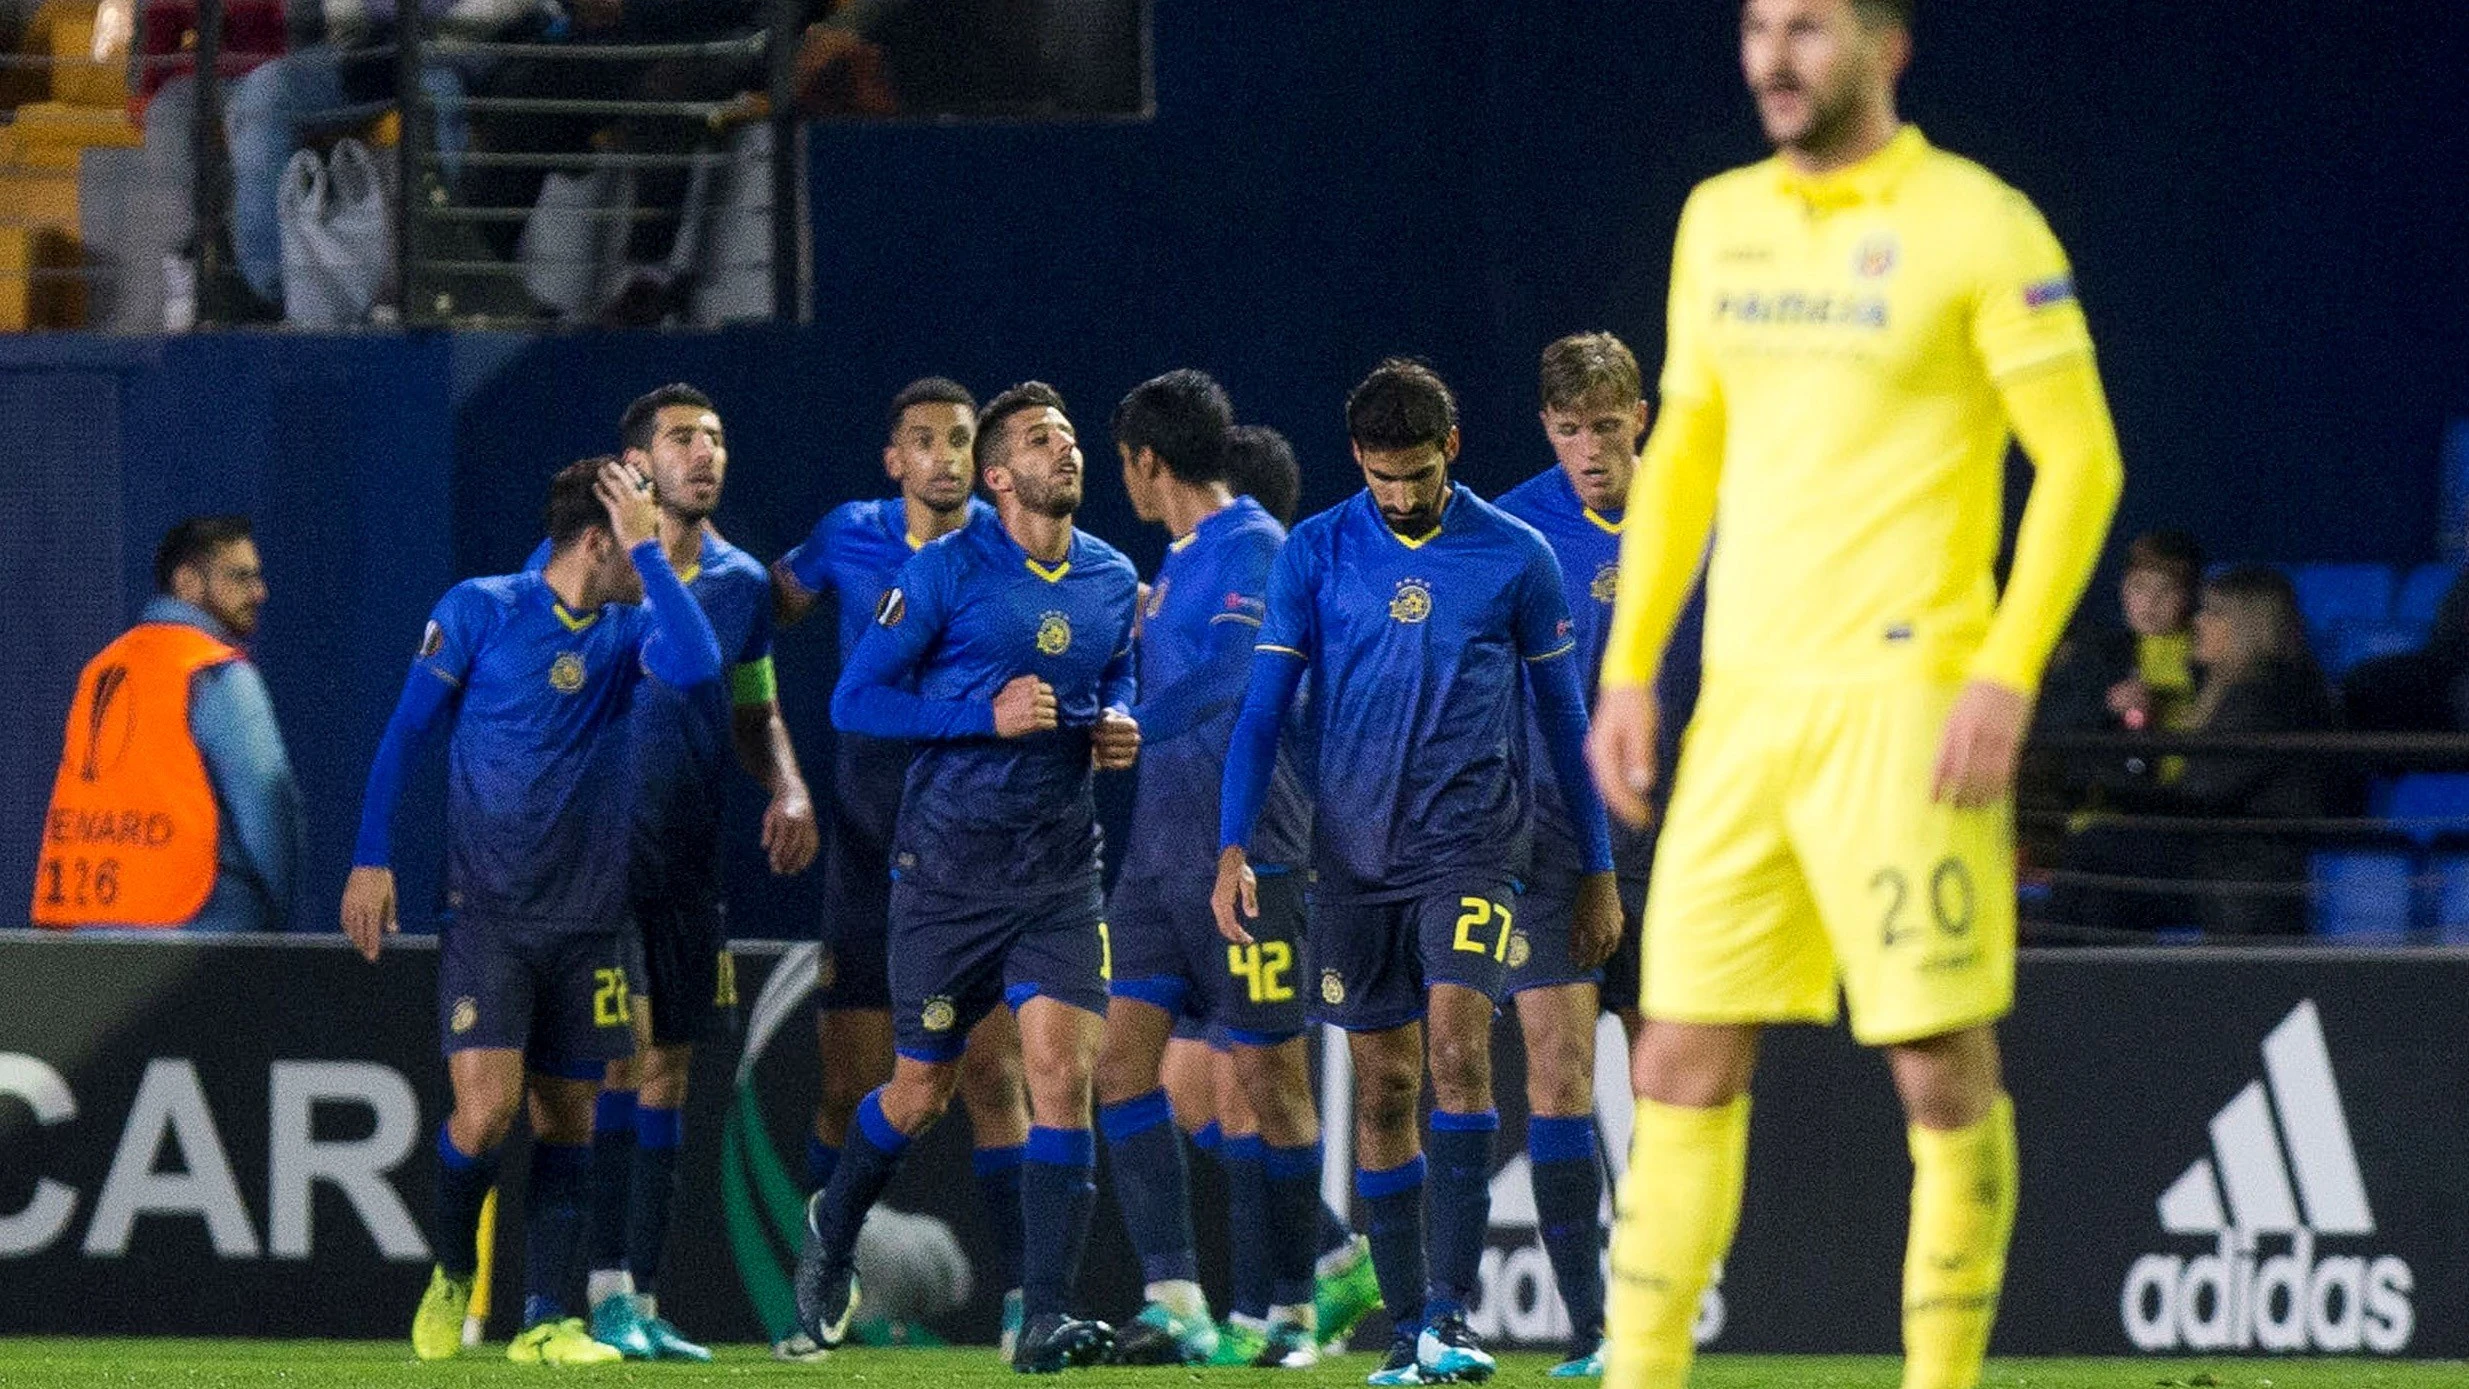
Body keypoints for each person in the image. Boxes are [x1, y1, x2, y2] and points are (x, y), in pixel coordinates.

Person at [1582, 2, 2126, 1386]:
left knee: (1939, 1067)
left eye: (1808, 26)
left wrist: (2003, 673)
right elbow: (1688, 450)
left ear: (1888, 45)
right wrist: (1631, 664)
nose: (1772, 54)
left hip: (1904, 706)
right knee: (1675, 1061)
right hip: (1745, 711)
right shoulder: (1718, 220)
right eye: (1758, 24)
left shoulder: (1980, 225)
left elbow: (2080, 465)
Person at [1215, 359, 1621, 1387]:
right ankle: (1406, 1331)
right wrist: (1235, 845)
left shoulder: (1515, 557)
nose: (1402, 496)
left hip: (1476, 849)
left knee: (1457, 1051)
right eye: (1384, 478)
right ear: (1359, 460)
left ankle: (1453, 1314)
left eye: (1419, 475)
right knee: (1386, 1088)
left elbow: (1568, 723)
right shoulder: (1313, 554)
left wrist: (1599, 868)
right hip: (1349, 861)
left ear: (1454, 448)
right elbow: (1264, 713)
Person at [343, 455, 722, 1366]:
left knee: (570, 1118)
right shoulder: (480, 608)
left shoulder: (631, 631)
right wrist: (370, 855)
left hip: (591, 917)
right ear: (600, 538)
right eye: (642, 534)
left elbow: (704, 667)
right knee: (485, 1114)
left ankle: (548, 1319)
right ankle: (448, 1273)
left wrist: (655, 562)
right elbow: (404, 735)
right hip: (490, 914)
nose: (658, 549)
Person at [792, 382, 1140, 1373]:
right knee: (919, 1092)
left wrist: (1122, 715)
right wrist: (977, 719)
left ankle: (1045, 1317)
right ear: (999, 474)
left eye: (1070, 436)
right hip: (946, 874)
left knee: (1059, 1078)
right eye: (1041, 439)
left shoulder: (1112, 575)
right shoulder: (944, 573)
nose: (1065, 450)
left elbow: (1117, 669)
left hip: (1060, 874)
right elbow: (858, 699)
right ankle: (836, 1228)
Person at [538, 385, 817, 1361]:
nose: (707, 453)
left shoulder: (740, 583)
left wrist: (787, 789)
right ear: (634, 465)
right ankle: (592, 1295)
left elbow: (754, 711)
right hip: (595, 860)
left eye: (718, 436)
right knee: (619, 1058)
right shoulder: (580, 570)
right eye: (683, 438)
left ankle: (641, 1303)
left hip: (687, 864)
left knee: (668, 1071)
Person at [770, 377, 1036, 1359]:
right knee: (851, 1084)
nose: (943, 457)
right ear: (894, 459)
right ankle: (827, 1274)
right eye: (923, 440)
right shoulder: (850, 533)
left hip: (975, 848)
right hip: (869, 843)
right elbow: (777, 600)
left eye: (961, 440)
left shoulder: (1007, 551)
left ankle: (1021, 1301)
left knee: (993, 1077)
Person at [1093, 371, 1336, 1369]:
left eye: (1125, 464)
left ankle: (1287, 1313)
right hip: (1157, 864)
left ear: (1147, 462)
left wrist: (1134, 723)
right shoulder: (1176, 564)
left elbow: (1240, 677)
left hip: (1253, 859)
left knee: (1267, 1089)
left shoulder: (1259, 550)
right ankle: (1177, 1297)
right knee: (1121, 1068)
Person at [1492, 331, 1671, 1377]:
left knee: (1671, 1087)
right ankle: (1591, 1331)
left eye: (1607, 426)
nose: (1591, 449)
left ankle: (1651, 1318)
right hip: (1552, 844)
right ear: (1548, 431)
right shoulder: (1517, 529)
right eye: (1570, 430)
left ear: (1639, 416)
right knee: (1559, 1077)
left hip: (1674, 841)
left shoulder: (1694, 513)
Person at [33, 516, 301, 934]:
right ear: (188, 581)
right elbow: (268, 809)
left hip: (85, 930)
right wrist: (277, 925)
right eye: (241, 577)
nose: (259, 592)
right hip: (197, 937)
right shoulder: (215, 673)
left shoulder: (100, 668)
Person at [2053, 566, 2341, 940]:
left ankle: (2063, 984)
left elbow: (2202, 794)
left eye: (2212, 612)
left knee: (2095, 848)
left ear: (2246, 626)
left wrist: (2111, 791)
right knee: (2101, 874)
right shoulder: (2251, 686)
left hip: (2247, 867)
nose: (2198, 622)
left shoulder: (2266, 694)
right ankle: (2094, 984)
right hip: (2221, 853)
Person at [2039, 530, 2205, 735]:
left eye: (2166, 589)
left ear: (2189, 594)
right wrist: (2107, 705)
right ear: (2123, 589)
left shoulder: (2209, 651)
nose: (2151, 602)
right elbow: (2050, 717)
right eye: (2139, 587)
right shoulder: (2098, 651)